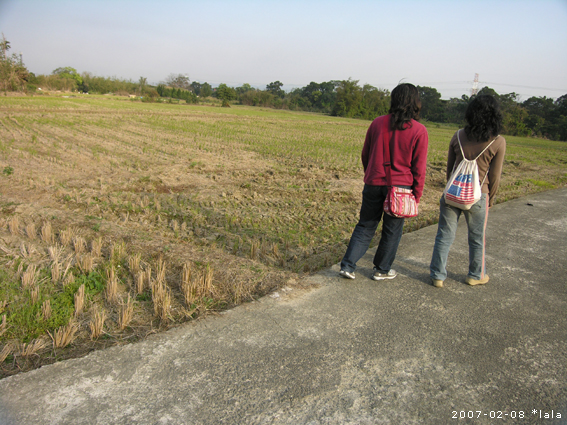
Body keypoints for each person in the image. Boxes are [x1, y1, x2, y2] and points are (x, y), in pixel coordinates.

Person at [339, 83, 429, 281]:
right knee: (392, 231)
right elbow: (419, 168)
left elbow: (366, 154)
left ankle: (348, 266)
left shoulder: (377, 123)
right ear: (415, 102)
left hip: (373, 182)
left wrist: (370, 175)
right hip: (401, 188)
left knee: (365, 226)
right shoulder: (419, 131)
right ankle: (382, 269)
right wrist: (417, 194)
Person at [429, 94, 506, 288]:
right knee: (477, 238)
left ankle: (437, 275)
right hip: (479, 195)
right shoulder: (498, 141)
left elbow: (449, 168)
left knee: (444, 235)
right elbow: (495, 176)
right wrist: (490, 198)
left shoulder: (458, 135)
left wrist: (452, 189)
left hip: (452, 193)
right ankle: (475, 275)